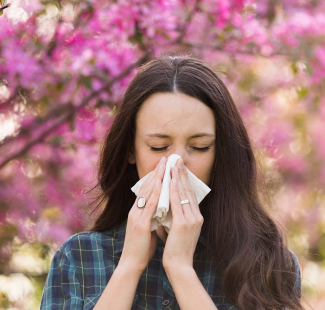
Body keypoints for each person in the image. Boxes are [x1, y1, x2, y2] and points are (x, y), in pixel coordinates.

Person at [40, 56, 303, 310]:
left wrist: (180, 269)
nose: (177, 163)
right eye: (159, 146)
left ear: (220, 152)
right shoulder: (78, 259)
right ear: (131, 150)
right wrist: (129, 265)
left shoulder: (268, 266)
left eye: (200, 147)